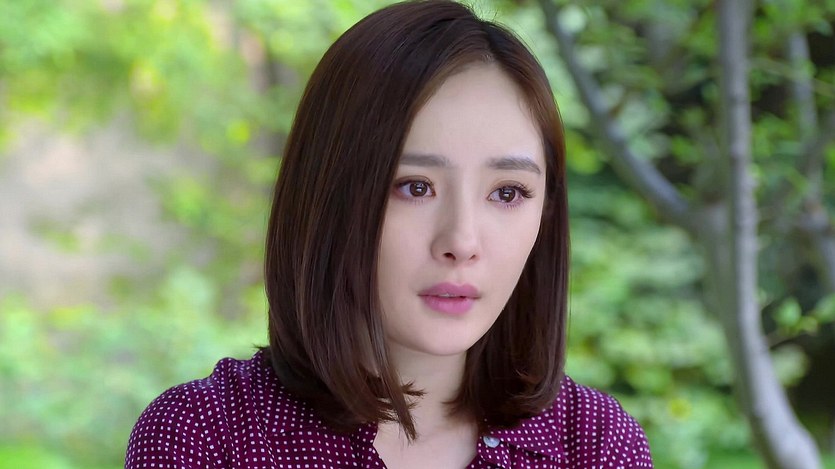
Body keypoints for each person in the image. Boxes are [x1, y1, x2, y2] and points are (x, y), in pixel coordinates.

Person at [125, 1, 653, 467]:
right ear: (327, 194)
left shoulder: (597, 445)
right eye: (415, 187)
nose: (462, 242)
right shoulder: (204, 438)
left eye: (508, 193)